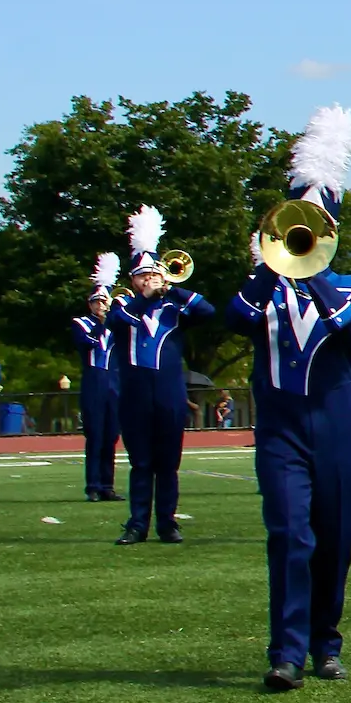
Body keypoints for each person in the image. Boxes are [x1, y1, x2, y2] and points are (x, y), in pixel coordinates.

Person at [227, 105, 351, 691]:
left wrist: (311, 270)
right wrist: (270, 265)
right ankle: (285, 651)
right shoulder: (259, 292)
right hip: (282, 428)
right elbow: (234, 317)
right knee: (290, 533)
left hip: (337, 429)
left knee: (335, 539)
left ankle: (326, 642)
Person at [110, 207, 213, 545]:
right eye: (142, 276)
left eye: (152, 275)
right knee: (141, 463)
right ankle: (137, 523)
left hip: (169, 394)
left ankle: (167, 523)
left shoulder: (174, 308)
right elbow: (115, 324)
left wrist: (172, 289)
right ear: (132, 280)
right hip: (135, 394)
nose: (148, 280)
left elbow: (208, 311)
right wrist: (146, 298)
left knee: (168, 464)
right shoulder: (123, 307)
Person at [71, 255, 124, 503]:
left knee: (112, 435)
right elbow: (87, 342)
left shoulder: (117, 325)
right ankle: (92, 484)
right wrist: (103, 322)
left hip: (115, 384)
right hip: (94, 382)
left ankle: (107, 485)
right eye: (97, 302)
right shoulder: (81, 323)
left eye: (105, 301)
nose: (101, 305)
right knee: (95, 434)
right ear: (90, 304)